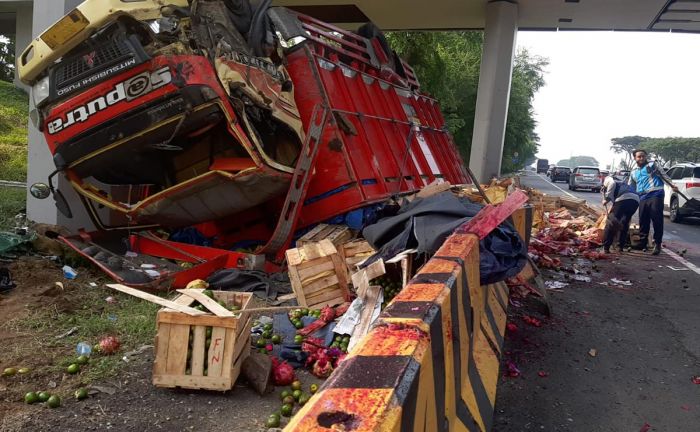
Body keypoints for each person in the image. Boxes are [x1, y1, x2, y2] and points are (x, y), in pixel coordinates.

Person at [628, 150, 678, 255]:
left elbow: (664, 176)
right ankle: (642, 242)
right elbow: (630, 187)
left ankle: (657, 244)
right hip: (642, 197)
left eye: (643, 156)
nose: (641, 158)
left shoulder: (652, 165)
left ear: (646, 157)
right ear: (635, 158)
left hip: (656, 194)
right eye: (639, 157)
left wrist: (673, 185)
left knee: (657, 220)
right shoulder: (633, 172)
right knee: (643, 220)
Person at [601, 176, 639, 253]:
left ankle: (606, 247)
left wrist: (605, 200)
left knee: (611, 222)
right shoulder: (623, 184)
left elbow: (609, 197)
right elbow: (616, 202)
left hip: (623, 199)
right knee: (624, 223)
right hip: (635, 200)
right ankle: (620, 246)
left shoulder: (611, 182)